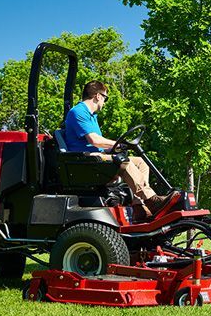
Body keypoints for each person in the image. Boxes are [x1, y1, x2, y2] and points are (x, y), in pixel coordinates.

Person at [64, 80, 176, 221]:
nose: (104, 102)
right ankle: (151, 200)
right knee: (124, 162)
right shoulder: (78, 112)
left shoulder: (92, 115)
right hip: (86, 162)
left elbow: (99, 142)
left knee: (141, 162)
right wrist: (118, 145)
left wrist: (116, 146)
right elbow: (95, 140)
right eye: (105, 98)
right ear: (98, 96)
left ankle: (140, 206)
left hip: (98, 158)